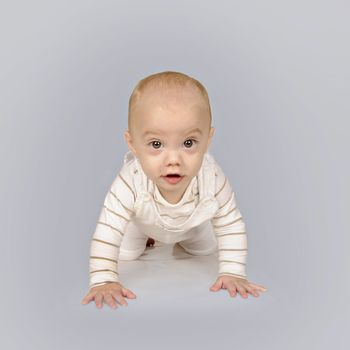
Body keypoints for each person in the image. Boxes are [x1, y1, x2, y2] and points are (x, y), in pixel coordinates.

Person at [81, 71, 267, 309]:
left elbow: (229, 222)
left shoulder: (211, 177)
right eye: (156, 144)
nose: (173, 160)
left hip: (193, 225)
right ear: (133, 144)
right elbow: (108, 228)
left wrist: (234, 272)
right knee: (125, 254)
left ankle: (184, 237)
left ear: (208, 141)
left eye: (188, 143)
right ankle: (150, 237)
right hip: (142, 223)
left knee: (207, 250)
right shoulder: (131, 180)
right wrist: (104, 279)